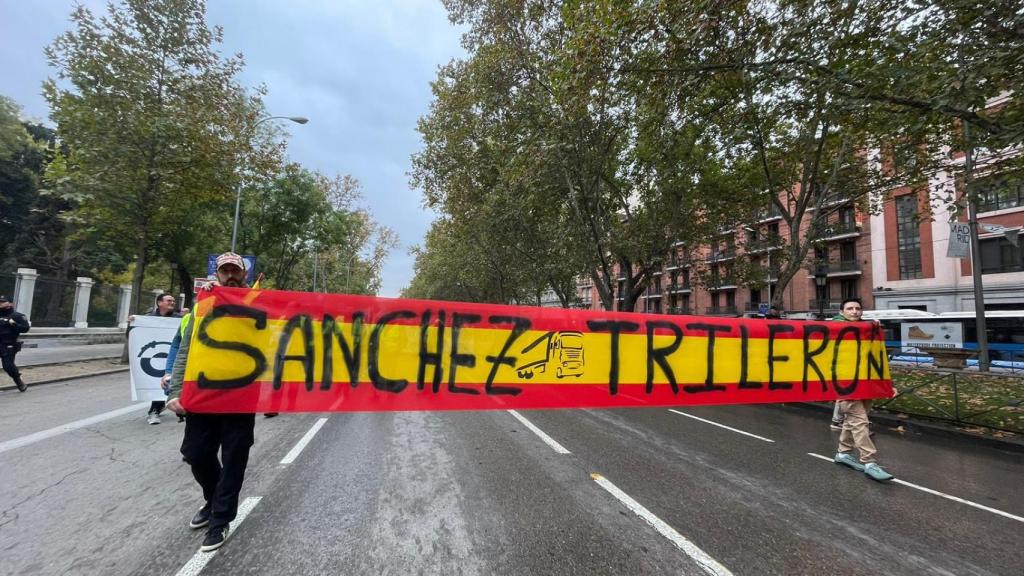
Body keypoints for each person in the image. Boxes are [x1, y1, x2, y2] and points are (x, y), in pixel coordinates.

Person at [166, 252, 255, 552]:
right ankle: (213, 498)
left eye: (235, 271)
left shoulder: (259, 303)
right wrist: (173, 391)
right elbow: (185, 350)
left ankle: (220, 519)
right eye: (224, 270)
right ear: (216, 274)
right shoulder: (202, 306)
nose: (230, 275)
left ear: (244, 274)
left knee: (234, 458)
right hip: (203, 395)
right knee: (195, 452)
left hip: (241, 397)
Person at [831, 298, 894, 482]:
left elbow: (876, 359)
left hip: (865, 383)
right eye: (850, 308)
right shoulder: (835, 328)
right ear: (842, 312)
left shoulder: (867, 331)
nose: (854, 311)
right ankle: (869, 461)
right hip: (844, 385)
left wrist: (887, 384)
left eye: (858, 308)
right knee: (860, 421)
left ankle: (843, 453)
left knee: (852, 422)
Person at [143, 293, 182, 425]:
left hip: (173, 358)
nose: (172, 303)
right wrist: (132, 323)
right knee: (157, 382)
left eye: (174, 301)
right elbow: (132, 335)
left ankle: (179, 409)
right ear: (159, 303)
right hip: (153, 357)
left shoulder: (180, 318)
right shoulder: (147, 318)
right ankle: (154, 410)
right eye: (169, 300)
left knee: (172, 382)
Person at [0, 295, 30, 392]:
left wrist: (13, 324)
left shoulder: (17, 316)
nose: (1, 303)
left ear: (10, 303)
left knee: (8, 366)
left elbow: (25, 329)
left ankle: (19, 382)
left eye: (3, 301)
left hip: (8, 345)